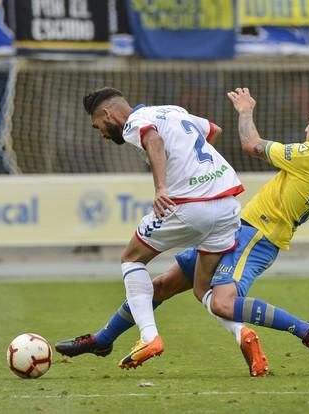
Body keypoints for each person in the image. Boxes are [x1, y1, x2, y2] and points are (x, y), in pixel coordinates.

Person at [57, 89, 309, 376]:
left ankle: (306, 330)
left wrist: (245, 110)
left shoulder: (308, 154)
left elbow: (251, 144)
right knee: (163, 285)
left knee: (221, 301)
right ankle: (103, 339)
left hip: (256, 236)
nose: (306, 126)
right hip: (235, 222)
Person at [81, 87, 248, 370]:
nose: (102, 134)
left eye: (99, 126)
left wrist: (161, 186)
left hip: (189, 206)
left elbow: (154, 140)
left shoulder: (136, 122)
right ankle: (242, 332)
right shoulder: (172, 110)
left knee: (131, 259)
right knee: (203, 288)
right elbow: (213, 130)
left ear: (108, 114)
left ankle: (149, 337)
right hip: (227, 206)